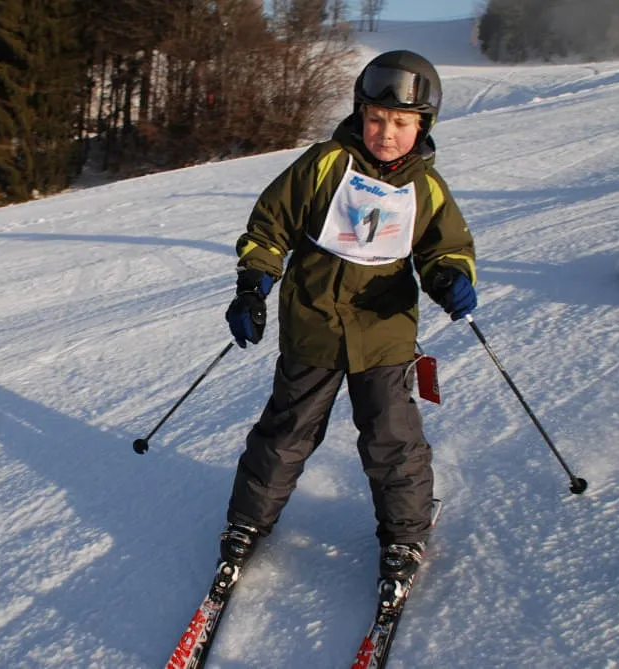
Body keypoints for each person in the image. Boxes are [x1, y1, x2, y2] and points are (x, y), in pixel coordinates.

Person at [221, 50, 477, 583]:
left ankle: (404, 535)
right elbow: (270, 226)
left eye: (401, 123)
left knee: (392, 436)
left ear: (423, 125)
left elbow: (445, 247)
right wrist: (253, 286)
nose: (387, 133)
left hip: (384, 331)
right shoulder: (325, 163)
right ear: (361, 113)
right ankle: (247, 521)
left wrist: (450, 277)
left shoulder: (426, 188)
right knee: (287, 432)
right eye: (377, 119)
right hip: (313, 323)